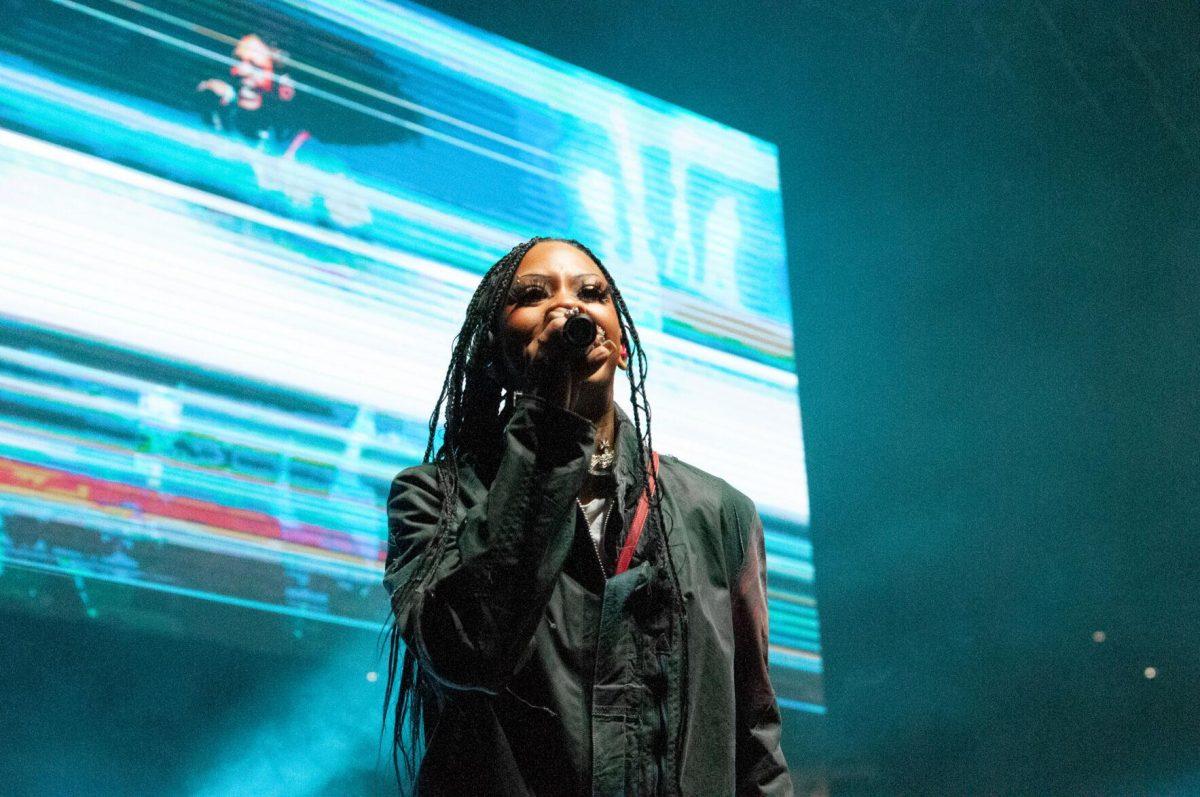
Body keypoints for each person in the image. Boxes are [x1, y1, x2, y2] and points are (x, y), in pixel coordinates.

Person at [383, 237, 792, 795]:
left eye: (591, 293)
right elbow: (471, 650)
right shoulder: (434, 499)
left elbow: (756, 747)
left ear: (621, 343)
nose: (567, 307)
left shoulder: (718, 513)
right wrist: (552, 416)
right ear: (497, 348)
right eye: (532, 294)